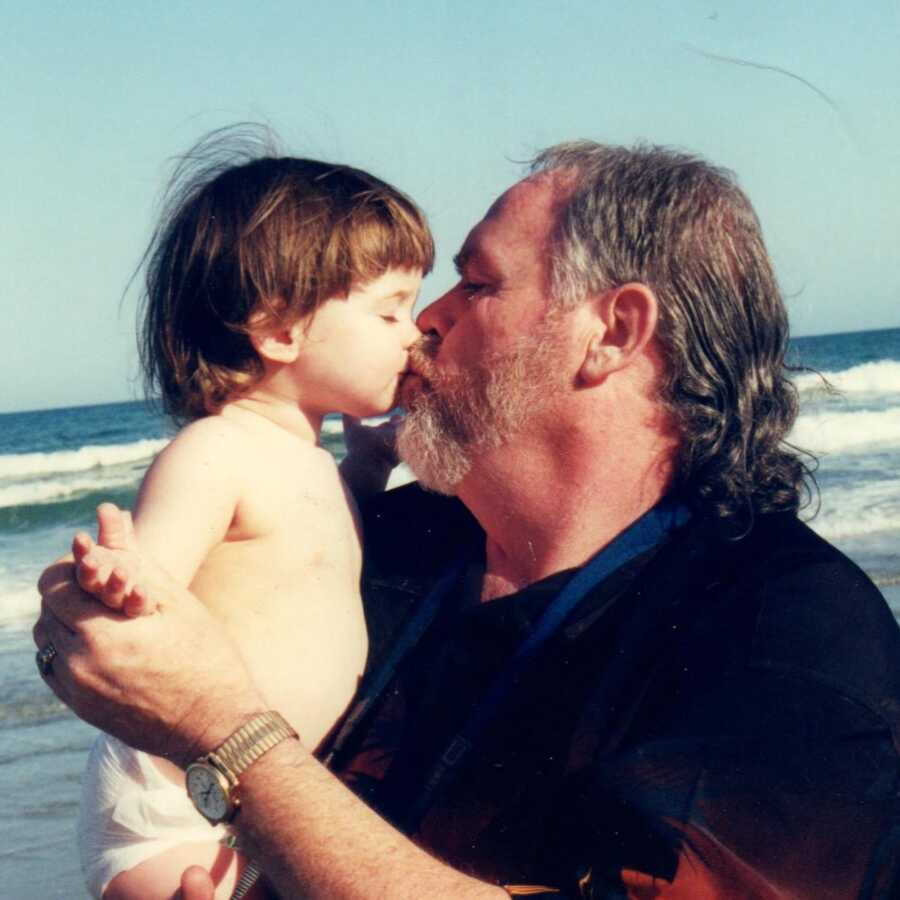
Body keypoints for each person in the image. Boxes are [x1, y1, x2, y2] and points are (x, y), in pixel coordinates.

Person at [35, 141, 900, 899]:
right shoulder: (391, 540)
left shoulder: (788, 639)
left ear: (614, 332)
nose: (427, 326)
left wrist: (230, 737)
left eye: (476, 284)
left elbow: (236, 743)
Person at [68, 130, 433, 900]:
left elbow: (312, 556)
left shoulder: (310, 461)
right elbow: (154, 581)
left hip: (262, 795)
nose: (416, 332)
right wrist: (121, 582)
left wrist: (367, 468)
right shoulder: (215, 451)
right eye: (391, 311)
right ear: (279, 330)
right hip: (170, 801)